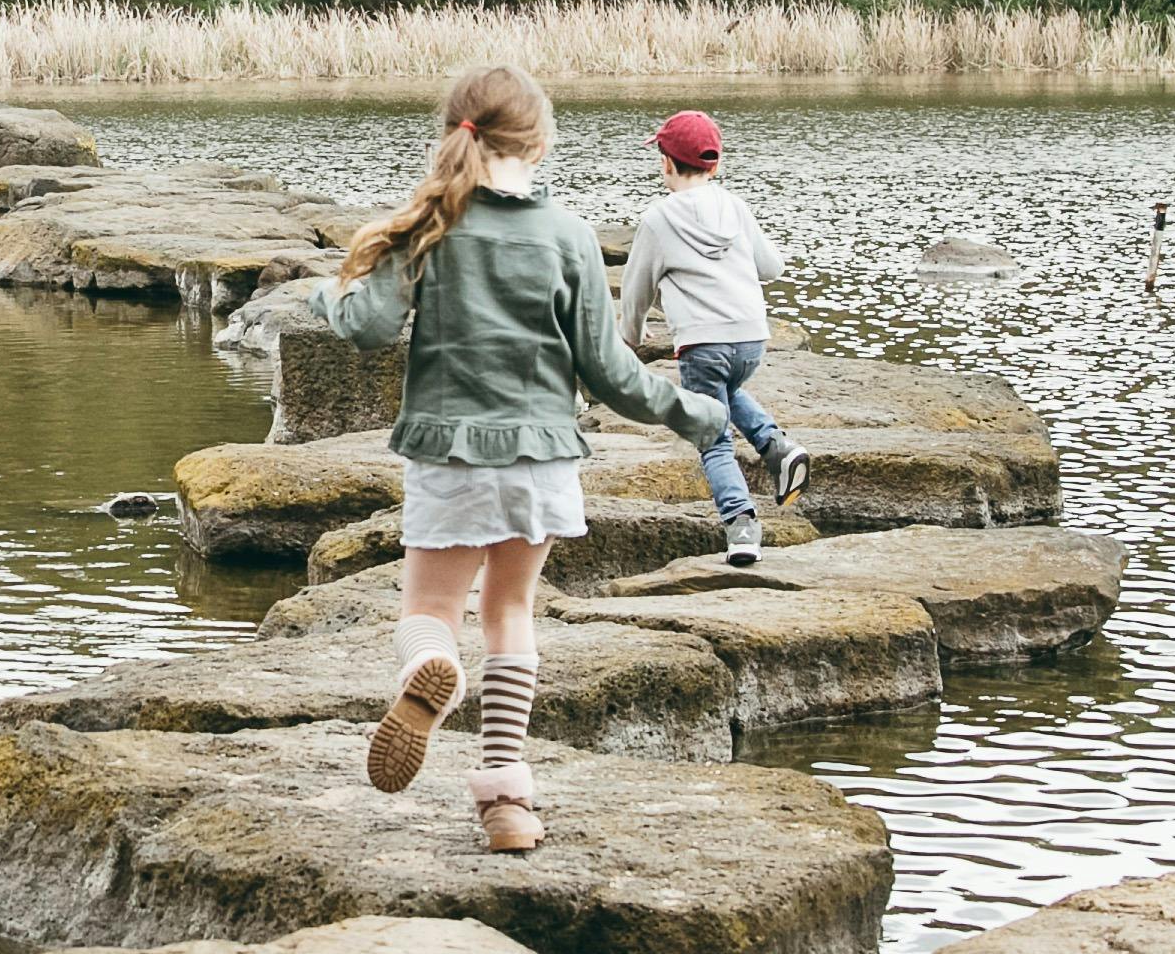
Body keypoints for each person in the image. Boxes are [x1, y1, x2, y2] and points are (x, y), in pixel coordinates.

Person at [298, 62, 726, 854]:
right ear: (538, 142)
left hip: (449, 455)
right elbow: (610, 372)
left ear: (455, 135)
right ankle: (506, 801)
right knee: (511, 614)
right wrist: (693, 412)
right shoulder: (566, 236)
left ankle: (436, 674)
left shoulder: (431, 226)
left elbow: (362, 327)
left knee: (430, 614)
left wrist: (325, 295)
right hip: (541, 460)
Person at [620, 105, 808, 562]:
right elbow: (772, 268)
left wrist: (630, 338)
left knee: (713, 436)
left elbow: (636, 289)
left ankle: (741, 524)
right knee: (725, 390)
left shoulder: (658, 219)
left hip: (702, 343)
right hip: (750, 339)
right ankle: (775, 446)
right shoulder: (735, 206)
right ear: (716, 164)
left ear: (665, 162)